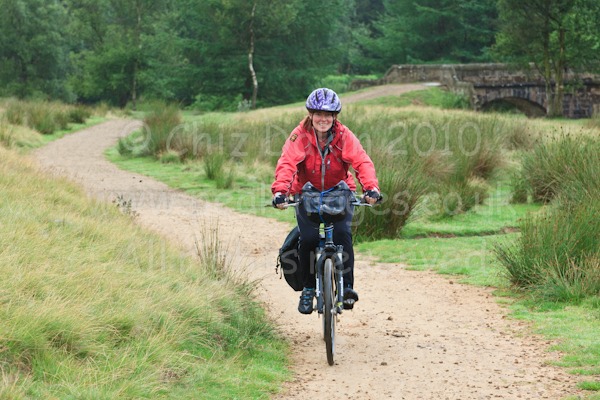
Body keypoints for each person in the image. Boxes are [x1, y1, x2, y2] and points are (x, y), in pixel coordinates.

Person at [271, 87, 380, 314]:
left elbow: (361, 162)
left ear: (335, 117)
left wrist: (371, 189)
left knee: (343, 235)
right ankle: (309, 288)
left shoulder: (344, 135)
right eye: (318, 114)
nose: (323, 119)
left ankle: (347, 288)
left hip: (340, 191)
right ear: (310, 115)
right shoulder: (299, 136)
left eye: (328, 115)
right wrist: (281, 192)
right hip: (306, 193)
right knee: (308, 238)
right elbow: (287, 163)